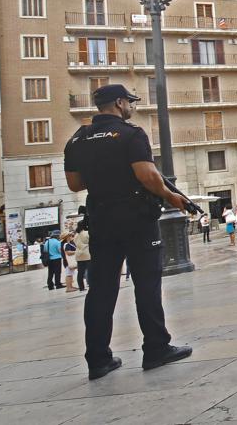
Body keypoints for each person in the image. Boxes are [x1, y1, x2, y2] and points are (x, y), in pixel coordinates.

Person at [64, 83, 192, 380]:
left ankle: (98, 359)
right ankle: (156, 348)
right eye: (130, 102)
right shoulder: (131, 133)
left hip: (101, 218)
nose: (132, 106)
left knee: (101, 289)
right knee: (146, 283)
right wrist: (173, 198)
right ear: (120, 103)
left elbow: (75, 184)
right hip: (136, 217)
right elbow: (147, 175)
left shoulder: (77, 139)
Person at [74, 220, 91, 291]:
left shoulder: (76, 235)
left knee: (80, 272)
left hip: (78, 255)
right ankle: (91, 284)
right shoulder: (86, 233)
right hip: (87, 254)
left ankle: (81, 287)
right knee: (90, 270)